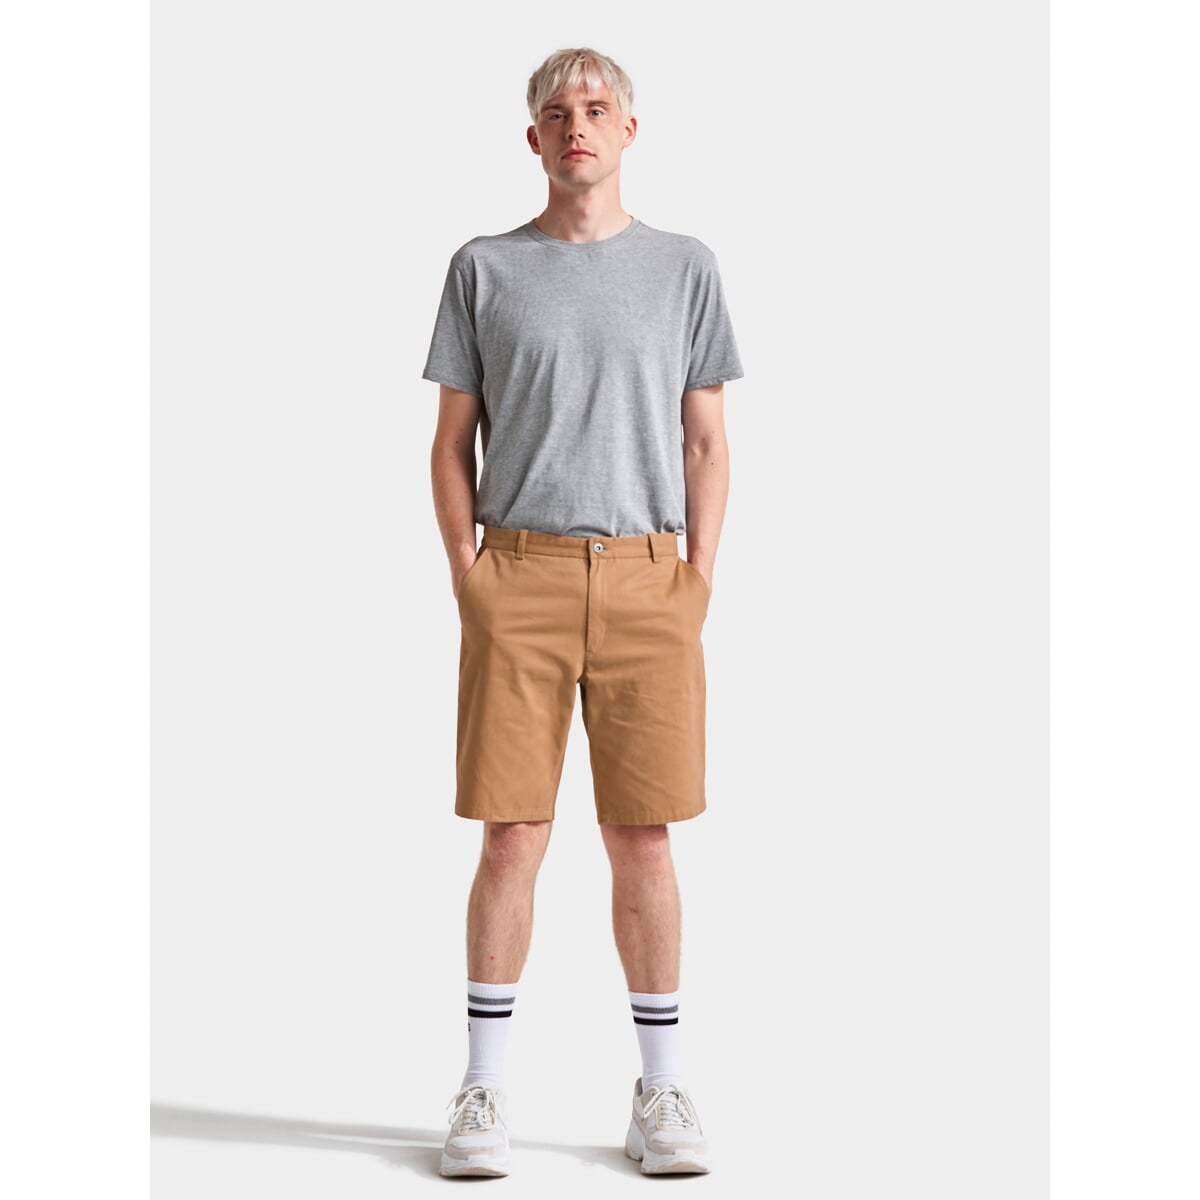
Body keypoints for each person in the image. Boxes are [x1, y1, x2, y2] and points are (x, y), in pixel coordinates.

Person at [421, 46, 744, 1178]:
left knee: (642, 834)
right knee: (512, 834)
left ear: (628, 131)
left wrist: (697, 578)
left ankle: (661, 1090)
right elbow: (450, 443)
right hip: (519, 577)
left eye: (598, 109)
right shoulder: (485, 269)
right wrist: (470, 574)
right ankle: (482, 1089)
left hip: (652, 579)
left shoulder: (685, 268)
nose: (577, 127)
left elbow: (707, 441)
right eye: (557, 113)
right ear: (534, 139)